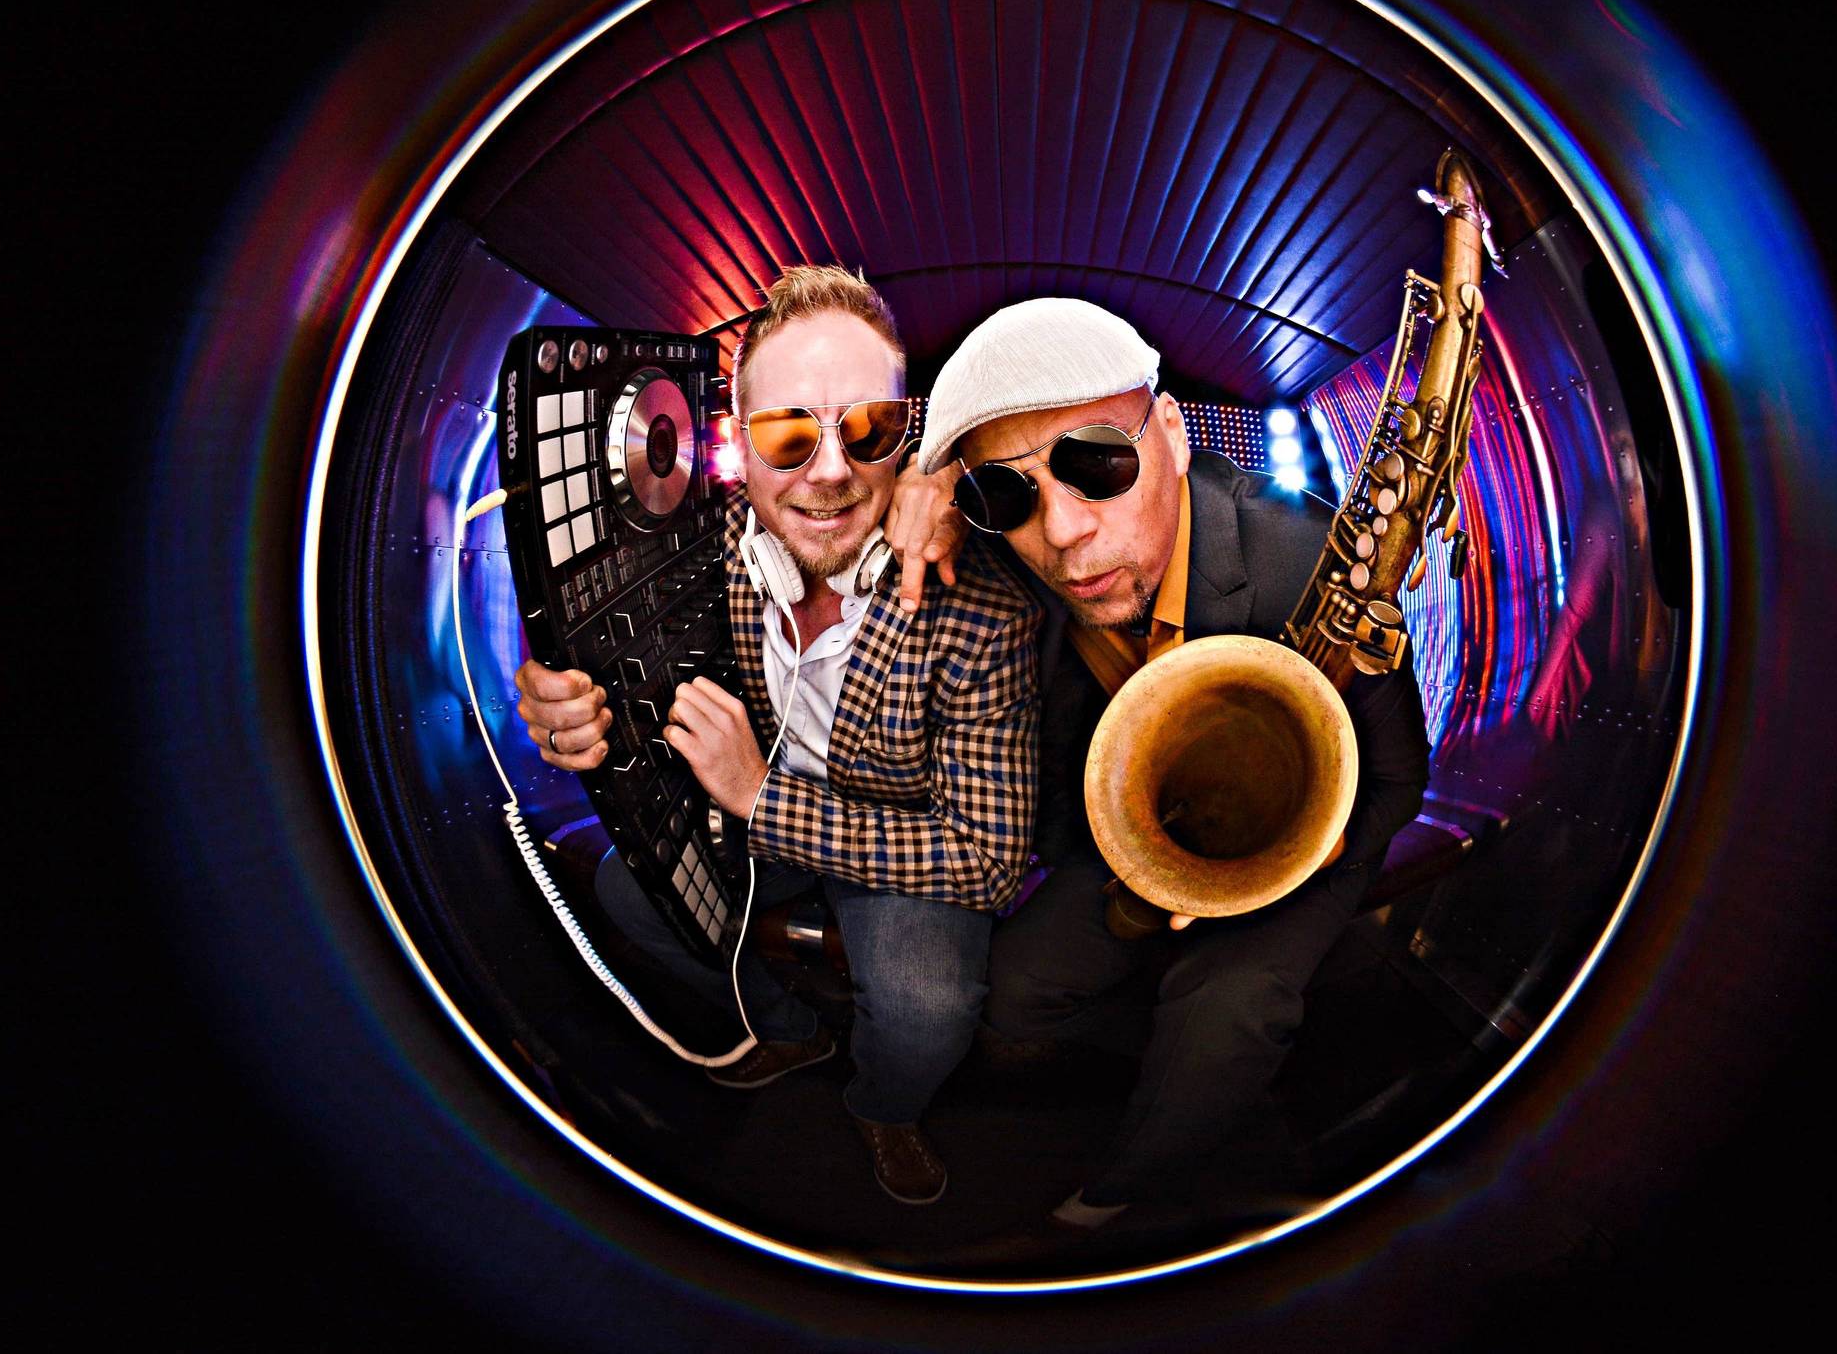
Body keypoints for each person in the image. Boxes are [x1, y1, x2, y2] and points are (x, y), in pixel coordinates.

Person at [905, 296, 1431, 1241]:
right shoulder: (1010, 559)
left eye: (1098, 462)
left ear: (1178, 436)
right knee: (1015, 992)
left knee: (1226, 1015)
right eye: (1008, 497)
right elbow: (838, 508)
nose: (1063, 532)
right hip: (1149, 836)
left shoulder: (1308, 561)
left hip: (1302, 838)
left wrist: (1302, 855)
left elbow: (1397, 776)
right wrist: (929, 491)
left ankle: (1126, 1190)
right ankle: (1156, 1039)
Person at [514, 266, 1041, 1207]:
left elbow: (988, 862)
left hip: (901, 844)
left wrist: (761, 795)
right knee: (629, 894)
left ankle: (883, 1107)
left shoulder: (985, 608)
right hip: (749, 816)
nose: (831, 471)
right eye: (789, 434)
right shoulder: (696, 542)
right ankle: (789, 1032)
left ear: (905, 436)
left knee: (927, 1013)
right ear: (736, 444)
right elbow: (618, 653)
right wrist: (575, 710)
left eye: (868, 428)